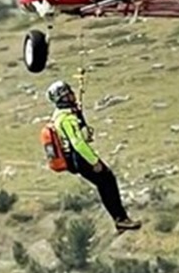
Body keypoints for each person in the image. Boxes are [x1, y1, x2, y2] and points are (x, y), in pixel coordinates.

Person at [47, 79, 141, 233]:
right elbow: (78, 143)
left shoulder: (60, 115)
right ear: (62, 98)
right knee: (107, 181)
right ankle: (120, 219)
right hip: (80, 157)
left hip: (75, 159)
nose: (72, 95)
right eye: (69, 93)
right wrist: (94, 161)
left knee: (105, 182)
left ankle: (120, 219)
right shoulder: (67, 118)